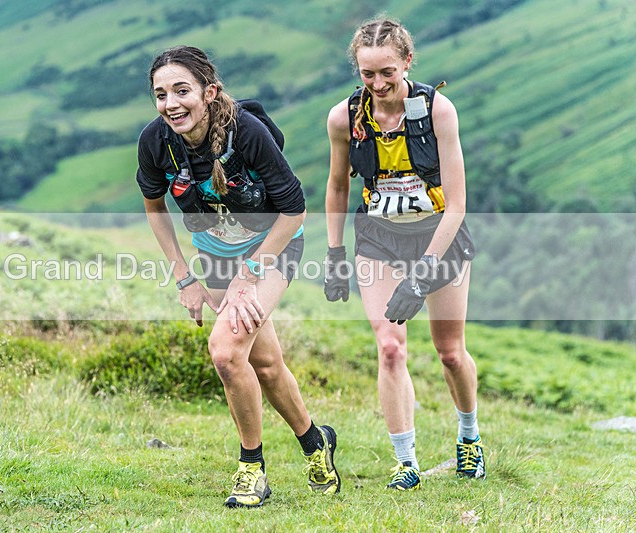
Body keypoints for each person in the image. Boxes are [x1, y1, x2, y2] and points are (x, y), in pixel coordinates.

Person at [136, 45, 340, 507]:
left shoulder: (246, 133)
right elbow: (154, 207)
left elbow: (294, 209)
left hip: (273, 246)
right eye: (161, 94)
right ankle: (316, 444)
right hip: (216, 253)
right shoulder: (155, 141)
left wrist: (250, 273)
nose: (171, 104)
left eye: (182, 91)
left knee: (227, 354)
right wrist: (185, 277)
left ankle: (252, 468)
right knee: (263, 363)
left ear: (209, 92)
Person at [323, 17, 485, 491]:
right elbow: (337, 187)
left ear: (408, 62)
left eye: (387, 72)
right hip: (379, 237)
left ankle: (469, 436)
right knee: (390, 347)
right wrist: (335, 253)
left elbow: (457, 204)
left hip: (439, 235)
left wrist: (422, 275)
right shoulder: (344, 119)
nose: (377, 84)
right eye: (367, 74)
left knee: (450, 353)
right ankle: (405, 462)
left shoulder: (438, 112)